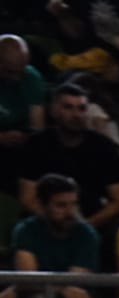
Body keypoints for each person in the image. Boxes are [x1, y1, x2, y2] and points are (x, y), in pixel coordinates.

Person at [11, 173, 105, 298]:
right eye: (61, 206)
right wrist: (59, 289)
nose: (70, 212)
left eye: (73, 204)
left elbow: (76, 288)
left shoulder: (86, 234)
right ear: (42, 206)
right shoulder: (26, 230)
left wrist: (41, 286)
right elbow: (28, 281)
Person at [16, 84, 119, 239]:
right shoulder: (36, 144)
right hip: (46, 219)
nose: (76, 115)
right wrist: (56, 223)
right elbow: (28, 198)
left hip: (92, 219)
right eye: (68, 107)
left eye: (82, 108)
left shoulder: (104, 147)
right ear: (54, 111)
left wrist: (86, 226)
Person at [0, 34, 48, 192]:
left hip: (20, 143)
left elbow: (37, 127)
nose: (17, 78)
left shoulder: (30, 77)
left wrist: (27, 137)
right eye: (10, 72)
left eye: (21, 71)